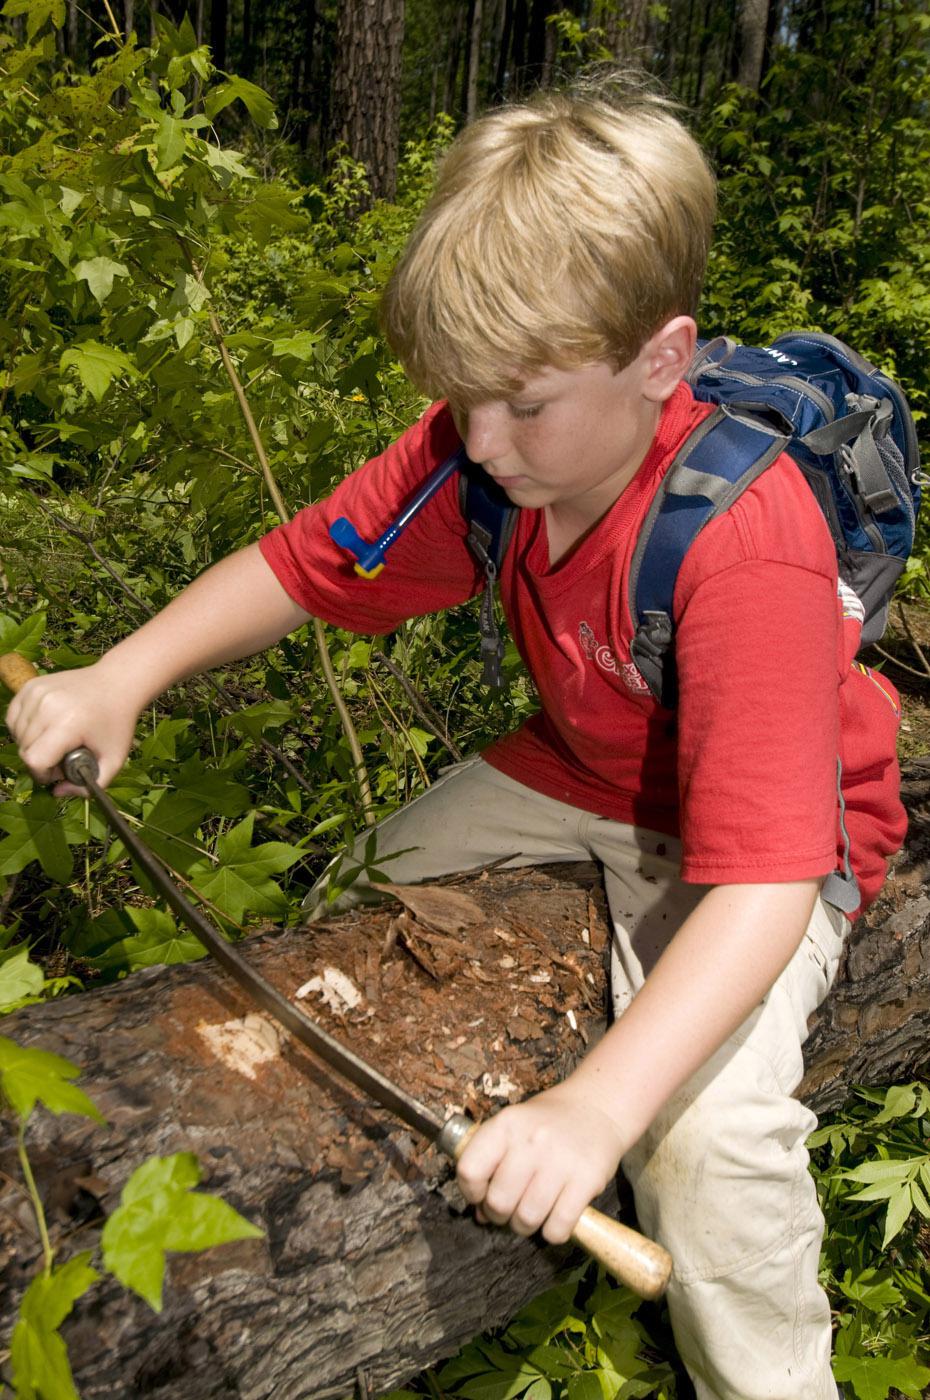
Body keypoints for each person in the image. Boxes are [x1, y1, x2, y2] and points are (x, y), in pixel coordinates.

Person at [6, 75, 905, 1400]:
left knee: (705, 1139)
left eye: (525, 405)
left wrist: (596, 1107)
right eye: (461, 399)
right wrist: (121, 676)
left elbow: (761, 884)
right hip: (583, 769)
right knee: (359, 892)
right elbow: (307, 564)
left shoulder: (742, 539)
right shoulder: (485, 450)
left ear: (661, 359)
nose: (483, 444)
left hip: (775, 837)